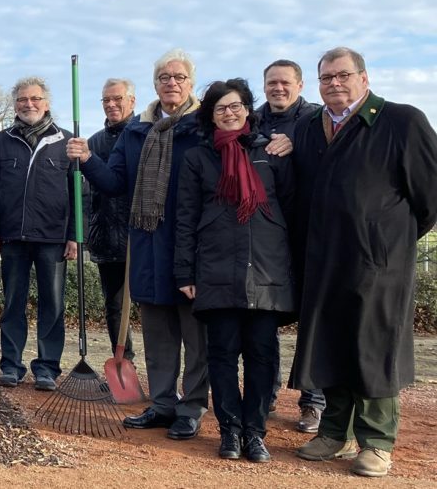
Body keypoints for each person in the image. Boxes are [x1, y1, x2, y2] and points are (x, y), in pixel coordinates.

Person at [288, 47, 437, 478]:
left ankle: (376, 442)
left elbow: (428, 200)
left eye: (343, 75)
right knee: (331, 345)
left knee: (373, 349)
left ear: (364, 78)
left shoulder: (400, 121)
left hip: (379, 264)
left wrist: (385, 240)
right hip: (324, 259)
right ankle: (333, 433)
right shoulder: (310, 128)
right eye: (326, 77)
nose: (334, 83)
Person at [66, 49, 210, 440]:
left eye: (179, 76)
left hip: (191, 242)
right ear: (155, 84)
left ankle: (192, 406)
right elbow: (114, 183)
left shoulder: (204, 126)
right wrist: (88, 159)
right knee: (159, 333)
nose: (171, 83)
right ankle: (163, 403)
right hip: (146, 243)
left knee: (196, 334)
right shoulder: (136, 132)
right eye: (164, 77)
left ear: (190, 82)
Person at [175, 79, 296, 463]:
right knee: (223, 354)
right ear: (210, 116)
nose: (230, 113)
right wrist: (185, 272)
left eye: (236, 105)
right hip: (216, 268)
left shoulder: (271, 152)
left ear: (248, 109)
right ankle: (230, 430)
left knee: (262, 354)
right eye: (221, 108)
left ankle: (255, 432)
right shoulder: (198, 158)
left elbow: (292, 209)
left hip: (266, 268)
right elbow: (185, 218)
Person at [0, 76, 77, 391]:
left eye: (35, 99)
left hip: (53, 239)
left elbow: (79, 194)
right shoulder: (1, 140)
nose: (28, 104)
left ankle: (47, 368)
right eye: (22, 99)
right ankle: (11, 365)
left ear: (46, 104)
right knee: (12, 303)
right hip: (12, 237)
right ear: (15, 105)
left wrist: (75, 235)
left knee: (52, 303)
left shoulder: (67, 141)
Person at [255, 59, 325, 433]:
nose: (277, 88)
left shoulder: (315, 120)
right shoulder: (252, 120)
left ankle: (313, 402)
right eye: (271, 82)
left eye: (284, 82)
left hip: (307, 233)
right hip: (266, 236)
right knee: (265, 320)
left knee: (311, 322)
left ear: (299, 85)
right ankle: (264, 396)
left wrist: (295, 142)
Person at [87, 78, 137, 362]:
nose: (111, 104)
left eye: (117, 98)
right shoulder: (94, 142)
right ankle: (123, 362)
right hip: (107, 235)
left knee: (157, 308)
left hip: (139, 234)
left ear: (132, 100)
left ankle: (162, 373)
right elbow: (86, 194)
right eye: (106, 100)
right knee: (114, 306)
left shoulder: (144, 134)